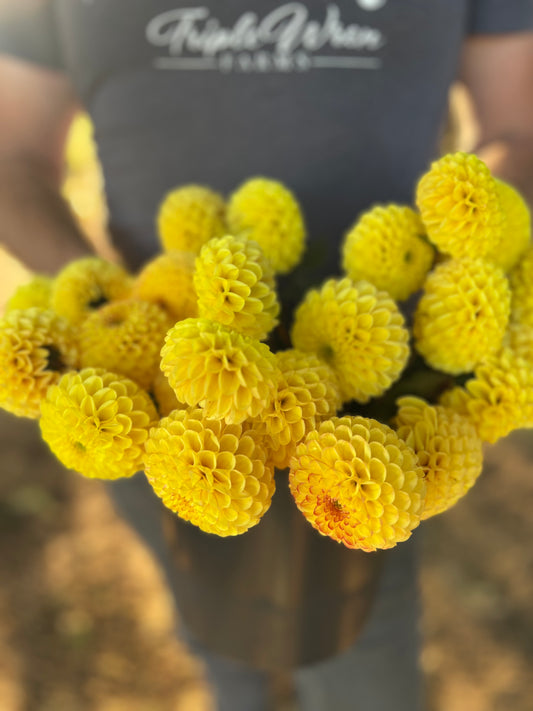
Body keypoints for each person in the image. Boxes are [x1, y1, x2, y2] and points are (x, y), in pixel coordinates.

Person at [1, 2, 533, 709]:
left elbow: (519, 128)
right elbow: (13, 151)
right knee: (213, 622)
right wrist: (106, 312)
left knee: (360, 661)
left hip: (373, 414)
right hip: (147, 401)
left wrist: (463, 254)